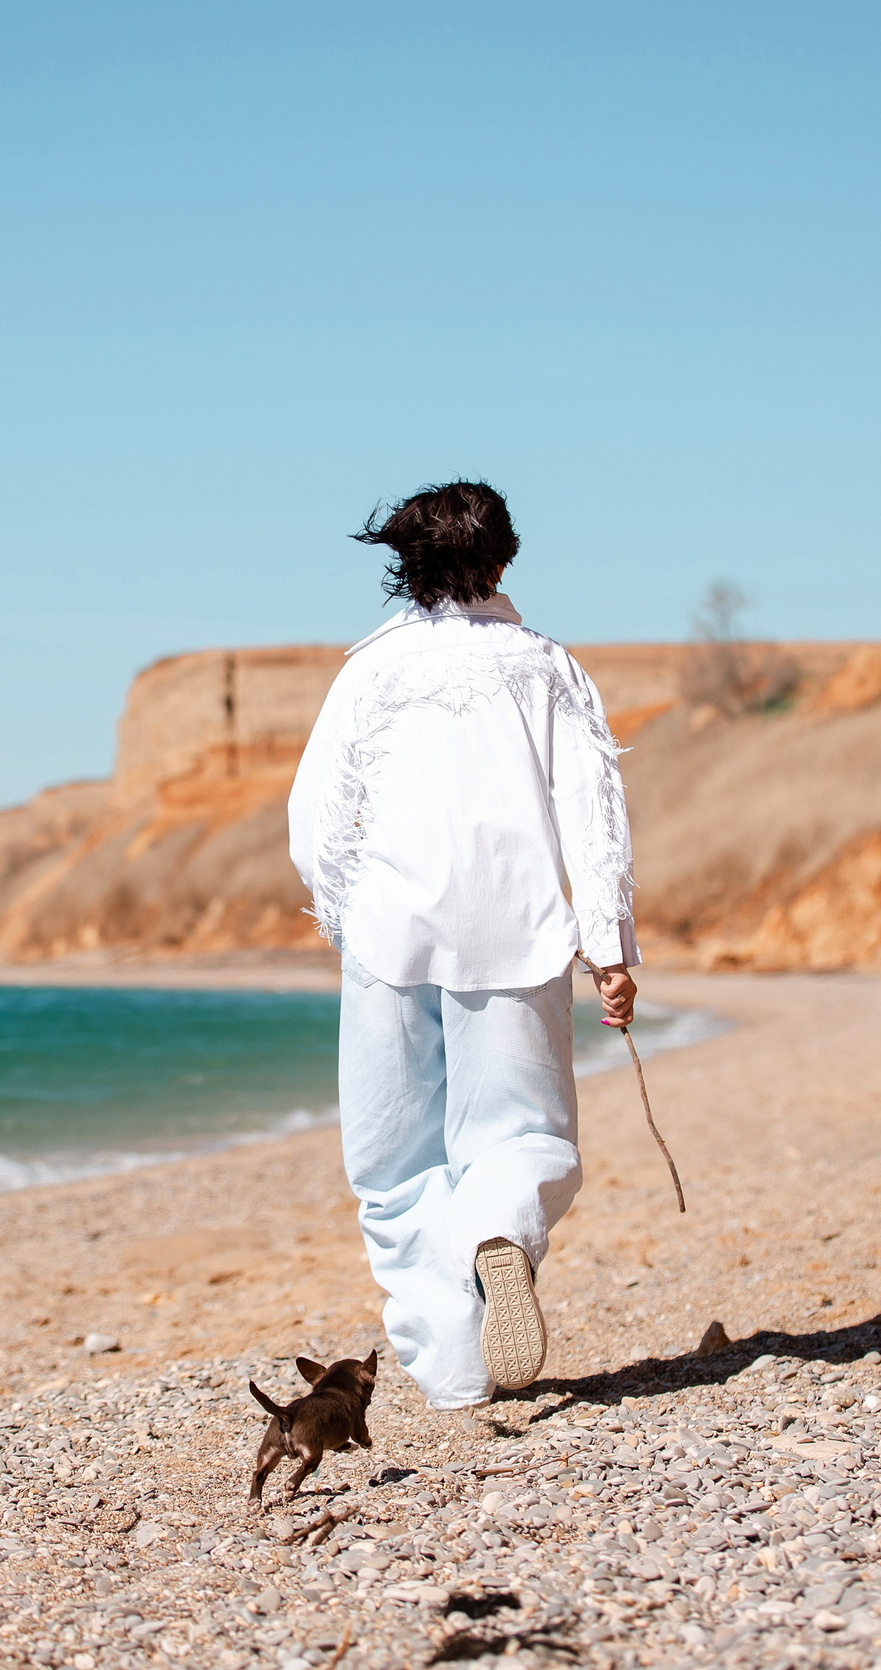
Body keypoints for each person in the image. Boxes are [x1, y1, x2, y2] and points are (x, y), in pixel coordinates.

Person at [288, 480, 639, 1419]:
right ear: (505, 559)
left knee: (396, 1164)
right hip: (518, 931)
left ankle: (452, 1373)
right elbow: (592, 812)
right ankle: (499, 1226)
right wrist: (609, 944)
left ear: (407, 566)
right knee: (523, 1132)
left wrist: (346, 917)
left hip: (391, 936)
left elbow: (319, 819)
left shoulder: (368, 671)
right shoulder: (548, 667)